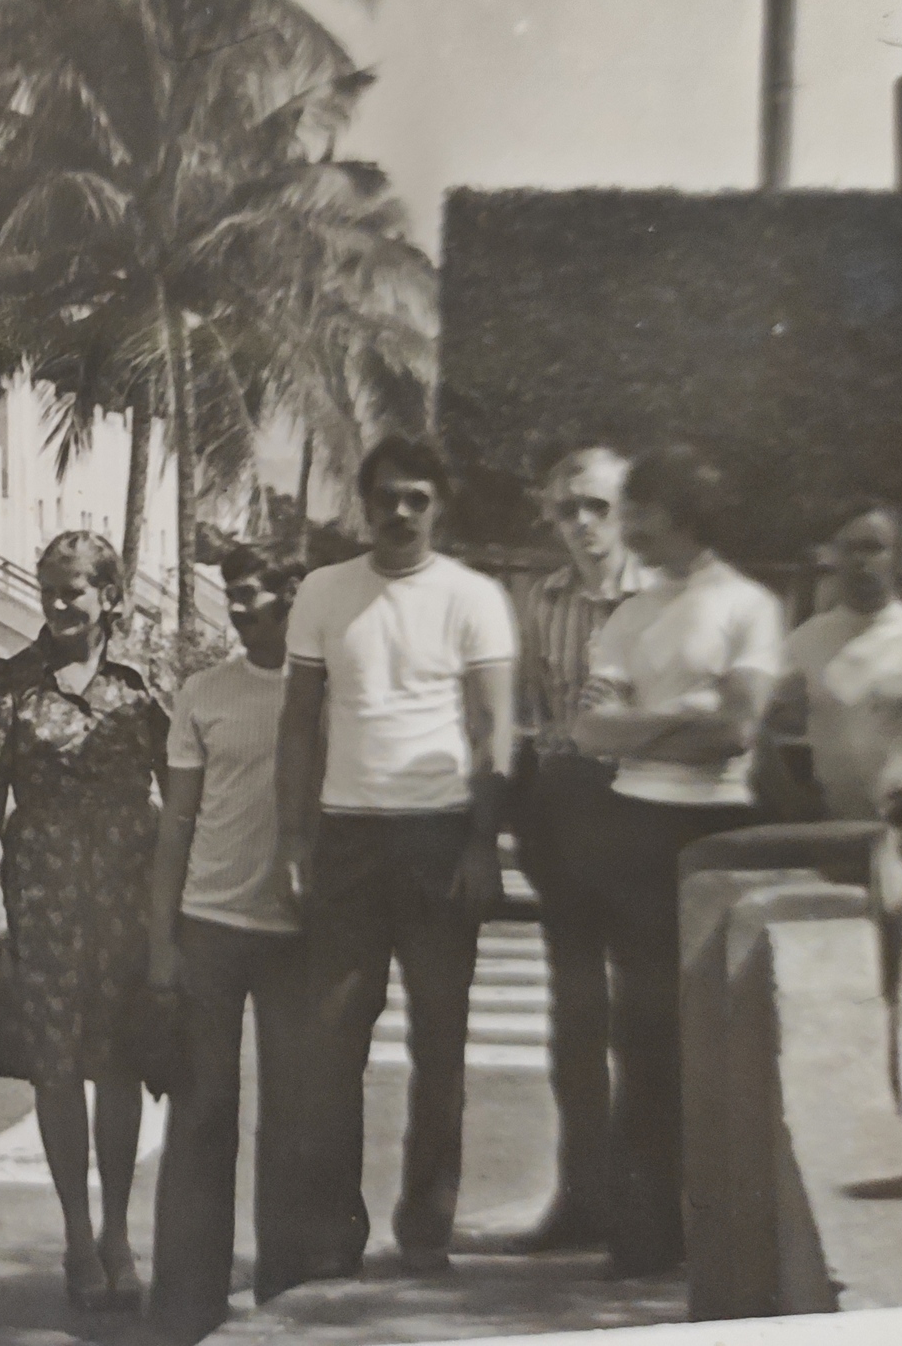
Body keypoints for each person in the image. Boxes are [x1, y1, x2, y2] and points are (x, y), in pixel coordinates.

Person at [277, 433, 517, 1279]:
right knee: (333, 1044)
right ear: (364, 504)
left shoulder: (475, 597)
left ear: (438, 506)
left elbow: (494, 730)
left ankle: (426, 1231)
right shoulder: (323, 591)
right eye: (387, 498)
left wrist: (484, 844)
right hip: (346, 837)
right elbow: (299, 723)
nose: (401, 513)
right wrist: (294, 841)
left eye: (418, 498)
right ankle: (334, 1237)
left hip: (439, 835)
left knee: (441, 1043)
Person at [572, 445, 784, 1278]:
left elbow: (735, 733)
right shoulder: (627, 615)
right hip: (634, 828)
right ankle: (644, 1235)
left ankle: (722, 1235)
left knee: (717, 1035)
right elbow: (589, 734)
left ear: (683, 510)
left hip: (716, 831)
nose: (626, 527)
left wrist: (642, 721)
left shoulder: (747, 605)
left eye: (639, 510)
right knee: (644, 1032)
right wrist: (679, 717)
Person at [0, 530, 170, 1313]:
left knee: (119, 1065)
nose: (58, 602)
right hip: (43, 892)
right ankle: (77, 1235)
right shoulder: (10, 683)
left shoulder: (141, 685)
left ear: (109, 596)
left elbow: (178, 794)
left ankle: (119, 1232)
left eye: (75, 588)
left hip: (125, 892)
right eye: (49, 586)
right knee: (55, 1069)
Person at [146, 544, 311, 1342]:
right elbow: (175, 824)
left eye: (250, 594)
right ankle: (186, 1299)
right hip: (209, 926)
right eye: (229, 595)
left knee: (292, 1117)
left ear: (291, 594)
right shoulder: (202, 692)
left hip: (295, 935)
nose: (237, 609)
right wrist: (161, 940)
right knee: (202, 1111)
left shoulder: (325, 693)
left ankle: (290, 1289)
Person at [502, 447, 655, 1255]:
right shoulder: (541, 601)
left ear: (625, 510)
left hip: (642, 810)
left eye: (598, 506)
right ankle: (583, 1195)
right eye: (569, 510)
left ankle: (643, 1204)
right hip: (565, 810)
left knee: (644, 1018)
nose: (584, 524)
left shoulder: (661, 598)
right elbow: (527, 718)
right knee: (574, 1017)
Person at [763, 500, 902, 829]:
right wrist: (793, 801)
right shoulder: (804, 641)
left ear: (898, 559)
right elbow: (760, 727)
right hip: (834, 829)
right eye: (848, 549)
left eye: (873, 549)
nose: (860, 561)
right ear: (833, 557)